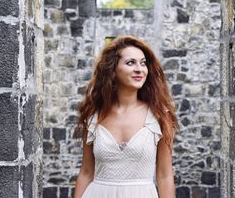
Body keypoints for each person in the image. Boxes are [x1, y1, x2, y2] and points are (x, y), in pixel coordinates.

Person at [73, 35, 178, 198]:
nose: (139, 69)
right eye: (131, 63)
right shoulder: (94, 115)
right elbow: (86, 172)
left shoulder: (159, 116)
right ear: (112, 70)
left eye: (143, 63)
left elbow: (164, 175)